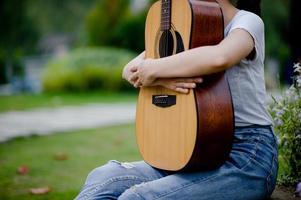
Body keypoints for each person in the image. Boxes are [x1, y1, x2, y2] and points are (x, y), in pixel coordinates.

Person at [75, 0, 278, 199]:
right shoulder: (189, 26)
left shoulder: (247, 22)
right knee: (104, 177)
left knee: (137, 197)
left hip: (247, 156)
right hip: (195, 153)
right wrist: (162, 79)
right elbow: (129, 69)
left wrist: (155, 70)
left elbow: (220, 57)